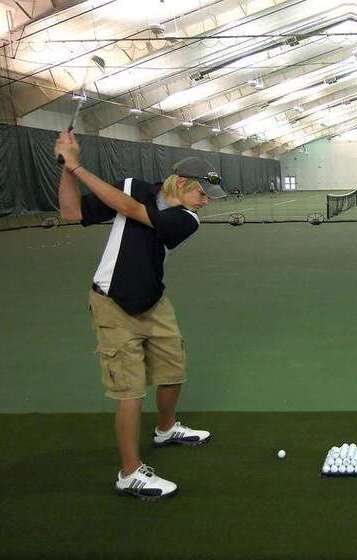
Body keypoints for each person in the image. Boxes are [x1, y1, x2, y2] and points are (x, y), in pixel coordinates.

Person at [54, 129, 226, 498]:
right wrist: (67, 168)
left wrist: (79, 166)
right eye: (202, 193)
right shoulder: (130, 185)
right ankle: (130, 473)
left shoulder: (187, 219)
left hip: (153, 301)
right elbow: (71, 211)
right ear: (180, 182)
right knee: (130, 390)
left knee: (173, 369)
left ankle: (165, 429)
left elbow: (132, 211)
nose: (206, 202)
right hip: (111, 301)